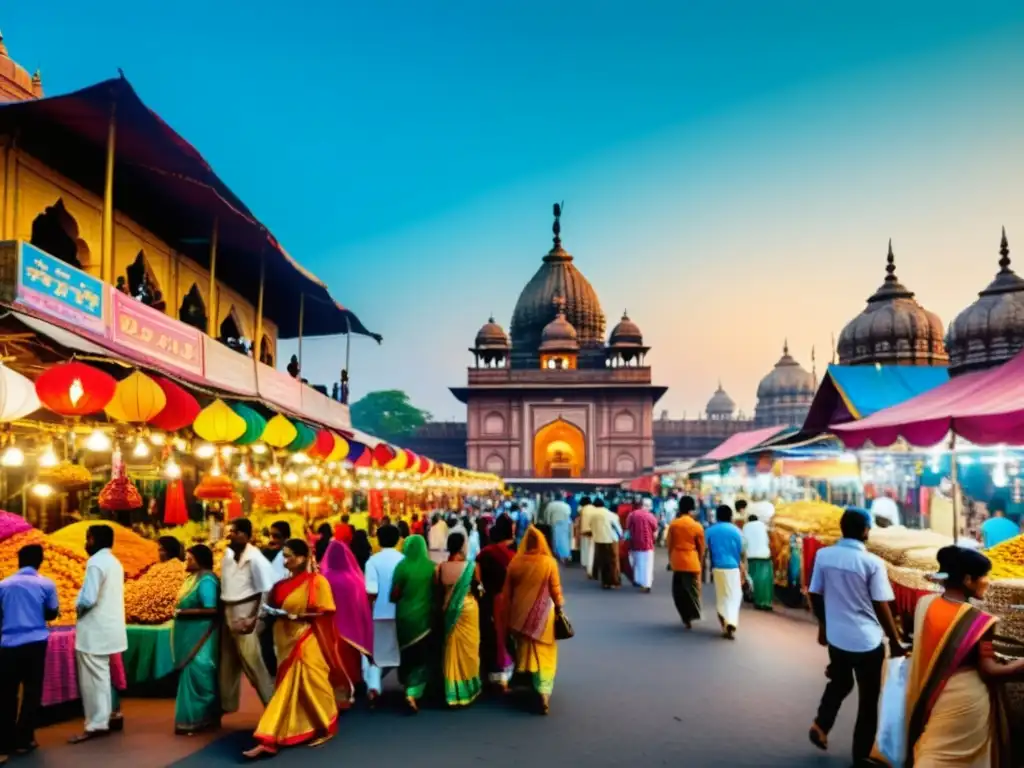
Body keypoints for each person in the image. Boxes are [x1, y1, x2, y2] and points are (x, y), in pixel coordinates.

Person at [902, 546, 1019, 767]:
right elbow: (989, 670)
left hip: (931, 695)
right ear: (967, 579)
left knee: (931, 753)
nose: (988, 581)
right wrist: (1017, 667)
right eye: (984, 576)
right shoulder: (979, 621)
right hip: (965, 702)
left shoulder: (925, 604)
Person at [808, 509, 904, 766]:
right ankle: (860, 756)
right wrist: (894, 641)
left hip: (837, 638)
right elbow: (881, 604)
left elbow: (815, 593)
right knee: (868, 701)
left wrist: (823, 626)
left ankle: (821, 723)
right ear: (865, 531)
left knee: (840, 681)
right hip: (866, 642)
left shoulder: (823, 555)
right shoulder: (872, 563)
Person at [244, 540, 348, 759]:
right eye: (284, 555)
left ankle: (268, 738)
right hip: (282, 639)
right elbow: (269, 608)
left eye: (291, 555)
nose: (286, 560)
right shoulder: (280, 585)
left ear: (303, 557)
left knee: (310, 683)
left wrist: (298, 616)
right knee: (291, 687)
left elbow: (326, 612)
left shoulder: (317, 582)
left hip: (306, 638)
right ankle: (297, 725)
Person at [70, 525, 127, 744]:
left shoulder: (95, 562)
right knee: (101, 678)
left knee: (92, 680)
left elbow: (88, 598)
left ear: (93, 539)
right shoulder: (114, 561)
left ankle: (95, 724)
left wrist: (78, 608)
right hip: (110, 629)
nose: (86, 543)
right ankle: (102, 720)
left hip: (94, 631)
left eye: (88, 538)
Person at [0, 544, 59, 758]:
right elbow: (52, 614)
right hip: (36, 643)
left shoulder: (3, 585)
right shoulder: (46, 584)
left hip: (8, 644)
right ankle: (24, 739)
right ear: (40, 561)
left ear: (18, 561)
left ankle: (4, 742)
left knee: (7, 693)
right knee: (32, 692)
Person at [503, 527, 565, 714]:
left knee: (526, 650)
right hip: (544, 617)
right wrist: (560, 607)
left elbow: (507, 593)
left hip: (520, 617)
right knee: (545, 653)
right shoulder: (549, 563)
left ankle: (528, 683)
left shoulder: (515, 562)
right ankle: (544, 693)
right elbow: (555, 590)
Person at [219, 518, 275, 716]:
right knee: (227, 665)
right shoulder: (227, 555)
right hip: (228, 611)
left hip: (246, 613)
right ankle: (225, 706)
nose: (230, 534)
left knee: (253, 664)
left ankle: (272, 708)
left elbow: (266, 591)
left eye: (234, 531)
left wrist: (255, 618)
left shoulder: (256, 559)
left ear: (245, 535)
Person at [172, 544, 220, 735]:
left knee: (200, 673)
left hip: (202, 636)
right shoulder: (192, 578)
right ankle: (189, 720)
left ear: (200, 560)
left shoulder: (207, 580)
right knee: (190, 675)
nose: (186, 561)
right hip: (189, 634)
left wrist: (184, 612)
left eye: (190, 559)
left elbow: (211, 609)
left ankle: (201, 718)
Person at [319, 540, 373, 709]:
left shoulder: (324, 579)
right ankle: (355, 686)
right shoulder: (355, 579)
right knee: (352, 660)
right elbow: (361, 605)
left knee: (335, 661)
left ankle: (340, 693)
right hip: (352, 630)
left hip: (332, 629)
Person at [389, 534, 436, 712]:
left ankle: (406, 684)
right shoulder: (431, 567)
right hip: (424, 619)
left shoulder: (401, 566)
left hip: (403, 618)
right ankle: (413, 692)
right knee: (422, 656)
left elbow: (394, 595)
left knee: (407, 654)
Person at [437, 532, 482, 707]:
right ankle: (469, 688)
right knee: (470, 649)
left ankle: (452, 691)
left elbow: (439, 591)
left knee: (451, 649)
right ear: (463, 546)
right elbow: (479, 589)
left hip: (449, 611)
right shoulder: (472, 566)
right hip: (469, 609)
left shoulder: (441, 567)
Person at [363, 524, 404, 706]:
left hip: (378, 613)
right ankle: (409, 689)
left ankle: (374, 687)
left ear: (378, 540)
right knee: (401, 652)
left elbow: (371, 590)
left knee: (376, 655)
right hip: (400, 613)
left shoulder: (372, 561)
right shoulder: (404, 560)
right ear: (398, 539)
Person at [476, 516, 516, 691]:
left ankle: (490, 674)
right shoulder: (514, 556)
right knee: (507, 636)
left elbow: (477, 580)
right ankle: (506, 676)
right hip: (508, 602)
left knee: (490, 636)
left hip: (487, 601)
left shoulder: (484, 554)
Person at [705, 505, 746, 639]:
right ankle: (731, 622)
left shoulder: (710, 531)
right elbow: (743, 552)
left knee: (722, 596)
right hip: (733, 568)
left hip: (717, 567)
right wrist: (743, 570)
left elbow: (705, 550)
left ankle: (725, 625)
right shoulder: (737, 531)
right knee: (734, 596)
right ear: (731, 516)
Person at [667, 496, 705, 629]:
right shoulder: (697, 526)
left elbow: (670, 545)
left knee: (678, 591)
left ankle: (685, 616)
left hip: (677, 561)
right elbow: (701, 547)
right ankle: (692, 614)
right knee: (692, 591)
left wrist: (670, 559)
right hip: (692, 561)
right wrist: (699, 561)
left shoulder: (674, 524)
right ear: (692, 509)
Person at [626, 498, 659, 593]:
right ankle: (647, 584)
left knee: (637, 564)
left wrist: (626, 541)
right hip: (647, 545)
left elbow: (627, 530)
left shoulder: (632, 515)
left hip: (635, 544)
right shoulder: (651, 516)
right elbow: (655, 531)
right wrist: (654, 540)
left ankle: (639, 581)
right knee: (647, 565)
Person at [742, 513, 773, 610]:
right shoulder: (762, 525)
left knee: (754, 579)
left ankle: (757, 601)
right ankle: (766, 602)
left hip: (751, 557)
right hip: (764, 556)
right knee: (766, 580)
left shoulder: (745, 527)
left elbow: (744, 543)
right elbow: (767, 541)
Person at [591, 498, 622, 589]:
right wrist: (621, 536)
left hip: (598, 540)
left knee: (603, 561)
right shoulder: (610, 514)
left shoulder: (593, 515)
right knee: (612, 562)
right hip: (610, 540)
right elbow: (618, 528)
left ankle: (605, 582)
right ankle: (614, 581)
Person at [546, 494, 572, 564]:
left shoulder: (551, 505)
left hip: (555, 523)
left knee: (555, 539)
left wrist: (548, 522)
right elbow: (568, 514)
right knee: (564, 539)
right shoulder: (566, 505)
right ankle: (566, 555)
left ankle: (557, 554)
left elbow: (547, 515)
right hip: (565, 523)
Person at [578, 496, 598, 577]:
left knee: (585, 548)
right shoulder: (594, 508)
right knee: (591, 549)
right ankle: (591, 565)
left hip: (584, 530)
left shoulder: (581, 509)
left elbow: (580, 520)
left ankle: (585, 564)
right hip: (593, 531)